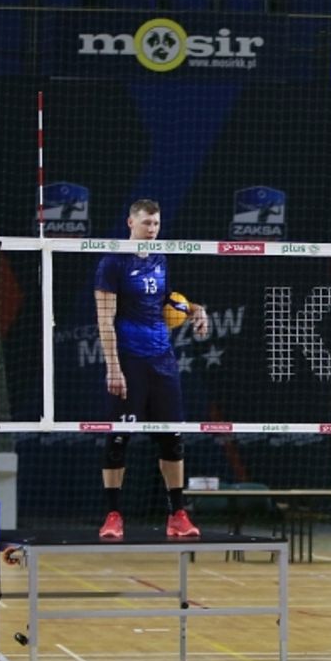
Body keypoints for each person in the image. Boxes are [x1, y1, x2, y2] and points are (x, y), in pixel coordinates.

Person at [94, 198, 209, 540]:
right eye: (147, 223)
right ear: (130, 223)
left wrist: (195, 310)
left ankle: (178, 514)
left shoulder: (160, 256)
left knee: (173, 440)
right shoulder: (112, 262)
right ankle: (113, 515)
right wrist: (113, 367)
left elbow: (164, 302)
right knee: (117, 439)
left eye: (156, 224)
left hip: (163, 360)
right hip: (130, 360)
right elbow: (105, 319)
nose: (153, 229)